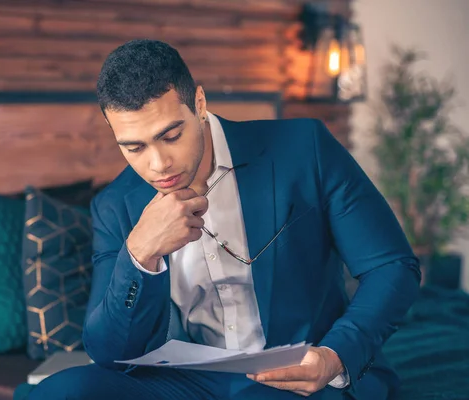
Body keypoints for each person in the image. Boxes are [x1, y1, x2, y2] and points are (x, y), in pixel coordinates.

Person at [25, 39, 421, 400]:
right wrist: (140, 253)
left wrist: (335, 355)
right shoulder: (115, 204)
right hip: (188, 381)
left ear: (199, 103)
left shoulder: (304, 147)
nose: (158, 163)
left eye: (171, 135)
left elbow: (392, 266)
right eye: (134, 147)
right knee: (60, 392)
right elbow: (110, 353)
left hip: (294, 375)